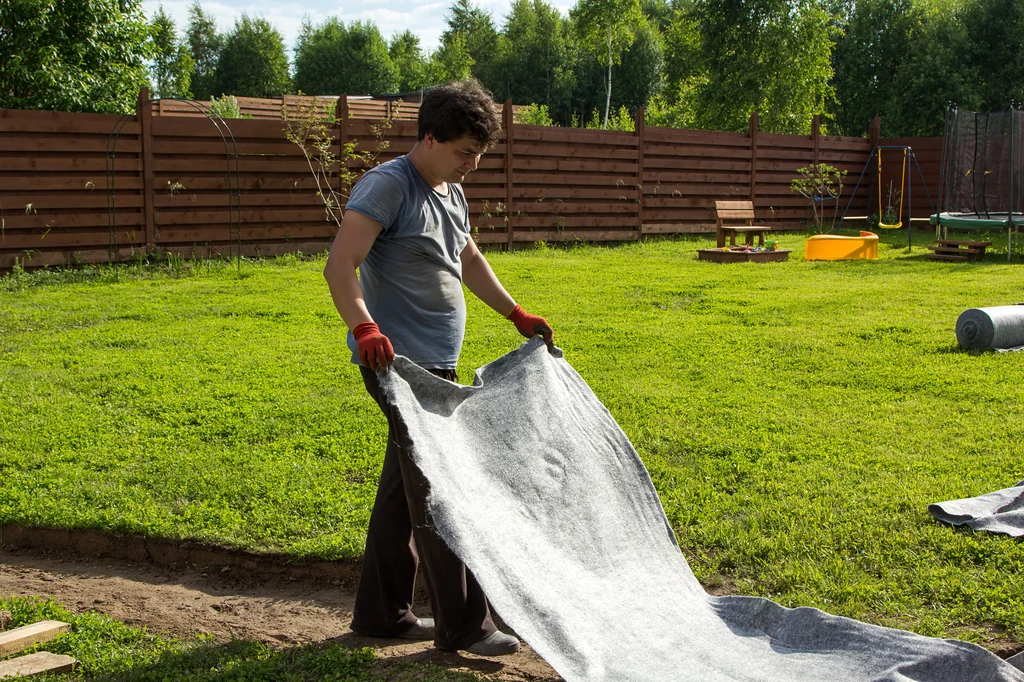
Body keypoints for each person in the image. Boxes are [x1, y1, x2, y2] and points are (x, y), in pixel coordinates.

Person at [323, 80, 553, 656]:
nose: (472, 165)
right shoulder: (388, 186)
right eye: (464, 152)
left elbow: (467, 257)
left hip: (439, 365)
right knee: (442, 488)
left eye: (479, 155)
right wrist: (364, 327)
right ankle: (465, 626)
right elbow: (339, 265)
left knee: (404, 489)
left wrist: (515, 313)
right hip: (398, 365)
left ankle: (381, 614)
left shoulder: (451, 190)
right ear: (428, 137)